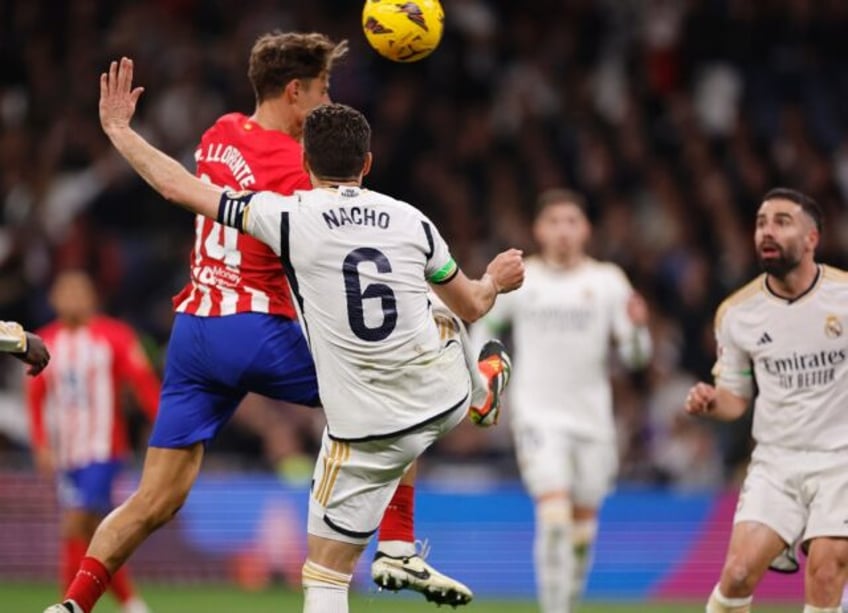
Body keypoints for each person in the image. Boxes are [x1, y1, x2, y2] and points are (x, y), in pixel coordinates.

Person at [59, 58, 525, 613]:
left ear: (310, 159)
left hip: (195, 329)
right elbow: (473, 302)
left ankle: (72, 604)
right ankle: (409, 521)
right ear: (368, 162)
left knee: (154, 498)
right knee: (402, 374)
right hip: (259, 329)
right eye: (323, 87)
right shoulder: (409, 219)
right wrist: (495, 279)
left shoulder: (230, 145)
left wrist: (118, 131)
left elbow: (175, 186)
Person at [473, 188, 652, 613]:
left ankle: (565, 602)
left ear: (586, 229)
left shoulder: (607, 281)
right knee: (554, 522)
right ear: (538, 229)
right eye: (553, 222)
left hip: (593, 422)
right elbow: (486, 324)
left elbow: (634, 356)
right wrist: (486, 374)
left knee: (581, 535)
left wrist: (640, 331)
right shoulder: (523, 277)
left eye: (571, 221)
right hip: (537, 417)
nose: (563, 231)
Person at [685, 187, 848, 613]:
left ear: (812, 238)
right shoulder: (738, 313)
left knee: (827, 573)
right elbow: (736, 400)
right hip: (776, 462)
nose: (766, 232)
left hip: (841, 460)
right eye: (760, 223)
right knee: (737, 574)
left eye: (781, 222)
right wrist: (710, 401)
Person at [28, 270, 160, 613]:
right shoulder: (44, 342)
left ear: (93, 297)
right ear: (53, 299)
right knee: (85, 531)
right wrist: (41, 443)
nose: (72, 298)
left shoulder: (114, 336)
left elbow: (143, 383)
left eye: (79, 291)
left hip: (104, 450)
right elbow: (36, 397)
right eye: (65, 291)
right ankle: (128, 603)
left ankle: (71, 604)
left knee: (76, 521)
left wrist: (166, 428)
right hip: (67, 454)